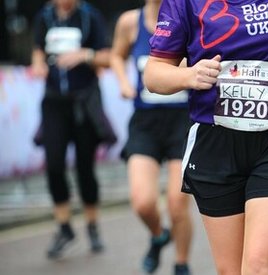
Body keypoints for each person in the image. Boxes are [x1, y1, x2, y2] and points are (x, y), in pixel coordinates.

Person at [143, 0, 268, 274]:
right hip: (214, 144)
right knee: (232, 270)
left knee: (260, 265)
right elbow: (154, 74)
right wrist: (189, 75)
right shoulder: (185, 3)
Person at [110, 0, 193, 274]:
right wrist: (123, 81)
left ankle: (181, 264)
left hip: (183, 119)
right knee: (143, 201)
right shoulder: (129, 22)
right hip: (145, 122)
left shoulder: (191, 14)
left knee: (177, 202)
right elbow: (116, 55)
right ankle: (158, 235)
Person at [30, 0, 114, 259]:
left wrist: (84, 55)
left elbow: (108, 57)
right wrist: (38, 64)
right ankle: (65, 227)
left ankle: (92, 225)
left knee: (84, 168)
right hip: (54, 102)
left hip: (84, 103)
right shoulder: (44, 16)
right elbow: (37, 51)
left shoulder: (90, 16)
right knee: (54, 165)